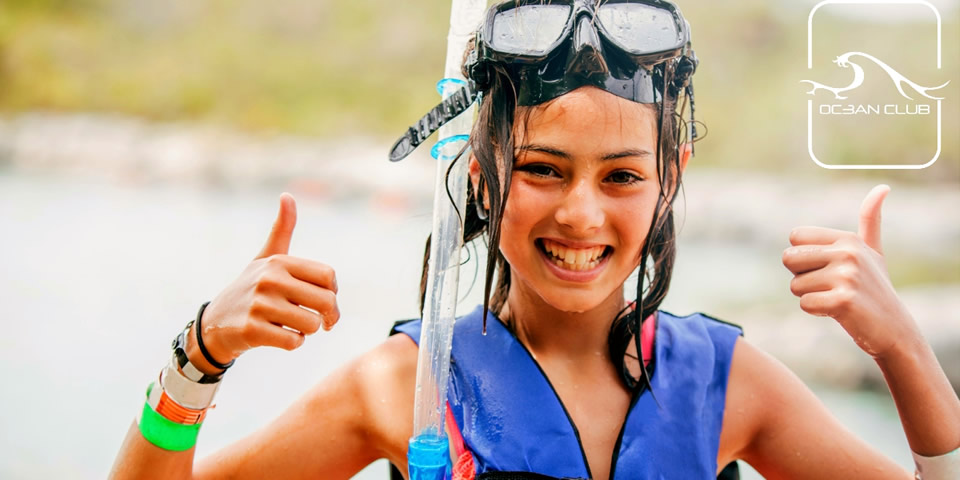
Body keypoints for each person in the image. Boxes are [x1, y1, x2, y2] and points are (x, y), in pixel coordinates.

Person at [110, 1, 960, 479]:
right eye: (544, 169)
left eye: (621, 176)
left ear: (672, 176)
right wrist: (200, 355)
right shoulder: (406, 387)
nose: (582, 215)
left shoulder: (729, 387)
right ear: (480, 173)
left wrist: (900, 350)